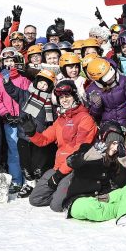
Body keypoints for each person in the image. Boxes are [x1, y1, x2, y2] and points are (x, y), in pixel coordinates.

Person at [23, 80, 97, 210]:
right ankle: (62, 192)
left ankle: (80, 192)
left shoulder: (85, 119)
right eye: (61, 97)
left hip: (74, 169)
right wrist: (32, 133)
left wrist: (59, 175)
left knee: (56, 206)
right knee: (35, 199)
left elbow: (78, 152)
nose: (64, 100)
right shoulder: (60, 120)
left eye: (67, 96)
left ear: (75, 96)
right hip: (59, 167)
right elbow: (44, 140)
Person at [64, 122, 126, 225]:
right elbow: (70, 161)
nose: (115, 148)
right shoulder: (87, 148)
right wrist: (87, 156)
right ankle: (123, 211)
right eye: (113, 143)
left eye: (118, 144)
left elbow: (121, 184)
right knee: (87, 207)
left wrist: (123, 160)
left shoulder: (115, 159)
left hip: (104, 198)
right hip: (81, 200)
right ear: (104, 140)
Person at [0, 47, 31, 195]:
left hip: (23, 120)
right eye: (6, 61)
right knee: (13, 150)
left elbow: (28, 98)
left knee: (26, 150)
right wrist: (5, 114)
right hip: (10, 121)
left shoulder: (23, 79)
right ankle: (16, 180)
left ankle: (29, 179)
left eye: (12, 61)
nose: (9, 64)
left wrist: (24, 115)